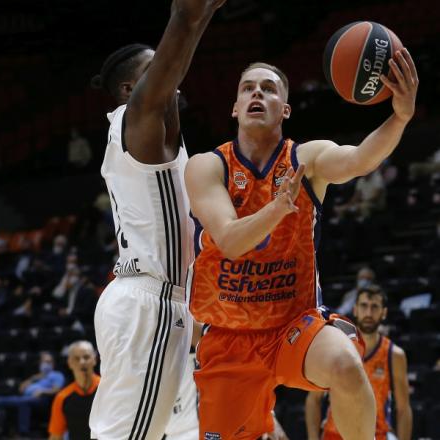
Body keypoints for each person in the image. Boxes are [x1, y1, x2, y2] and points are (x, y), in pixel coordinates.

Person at [186, 48, 418, 440]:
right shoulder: (207, 165)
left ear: (286, 109)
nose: (257, 94)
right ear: (235, 107)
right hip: (228, 337)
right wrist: (277, 209)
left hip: (293, 324)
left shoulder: (305, 159)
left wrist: (400, 117)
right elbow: (228, 240)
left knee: (346, 365)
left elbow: (359, 159)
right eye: (248, 88)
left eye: (269, 88)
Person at [88, 0, 227, 438]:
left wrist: (208, 12)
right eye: (157, 69)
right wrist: (192, 13)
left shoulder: (158, 135)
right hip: (149, 303)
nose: (174, 77)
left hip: (167, 302)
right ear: (131, 90)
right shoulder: (139, 125)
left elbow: (181, 50)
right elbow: (181, 21)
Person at [305, 286, 412, 440]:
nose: (368, 313)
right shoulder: (337, 347)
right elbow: (313, 400)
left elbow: (403, 409)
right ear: (355, 310)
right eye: (364, 306)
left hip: (375, 435)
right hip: (333, 435)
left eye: (374, 307)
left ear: (384, 313)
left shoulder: (394, 355)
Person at [0, 351, 65, 437]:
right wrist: (33, 378)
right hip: (24, 397)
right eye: (43, 362)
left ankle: (23, 434)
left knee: (24, 402)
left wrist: (43, 391)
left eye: (48, 362)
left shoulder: (57, 375)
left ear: (53, 364)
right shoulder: (36, 377)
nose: (45, 364)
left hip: (42, 400)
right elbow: (21, 389)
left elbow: (57, 389)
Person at [48, 341, 100, 440]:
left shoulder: (107, 390)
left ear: (94, 359)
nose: (82, 362)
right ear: (69, 363)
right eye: (76, 358)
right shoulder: (62, 398)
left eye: (86, 357)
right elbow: (56, 436)